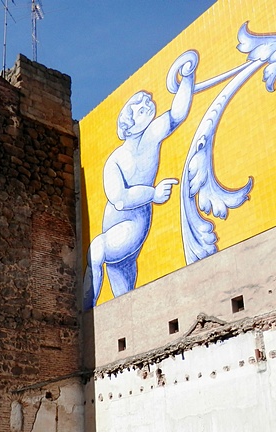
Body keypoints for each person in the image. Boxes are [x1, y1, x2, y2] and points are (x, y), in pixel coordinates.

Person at [83, 51, 198, 309]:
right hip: (124, 223)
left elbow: (178, 114)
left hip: (131, 228)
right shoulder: (115, 159)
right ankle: (99, 323)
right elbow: (119, 199)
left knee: (96, 247)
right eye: (142, 109)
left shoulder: (151, 137)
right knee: (125, 302)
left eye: (147, 106)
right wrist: (153, 193)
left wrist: (187, 77)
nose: (149, 108)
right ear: (130, 124)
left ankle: (85, 312)